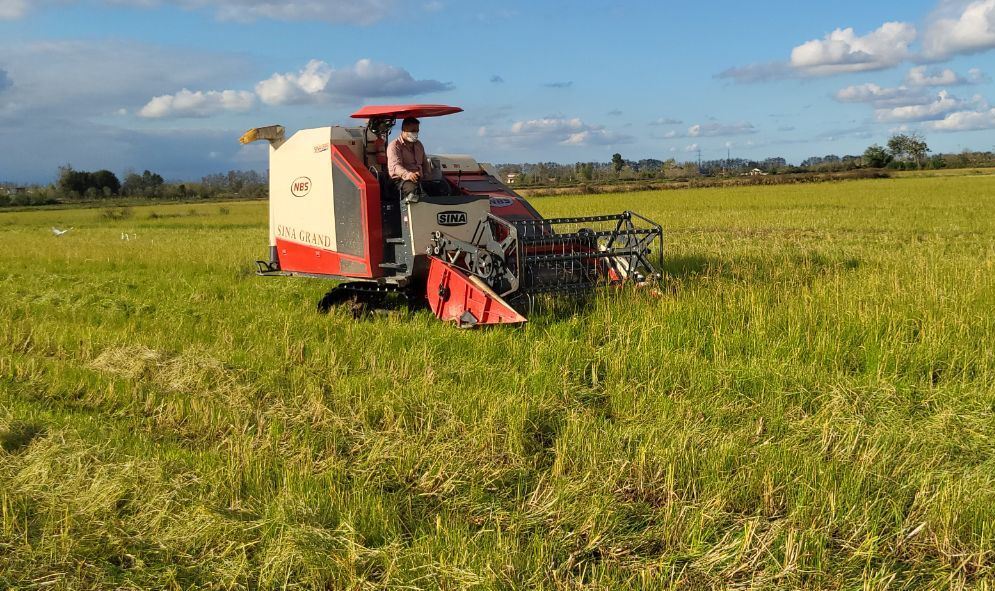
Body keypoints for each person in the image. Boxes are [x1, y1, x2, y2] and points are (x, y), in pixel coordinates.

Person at [387, 117, 430, 200]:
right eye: (413, 131)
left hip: (419, 179)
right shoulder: (395, 146)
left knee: (442, 187)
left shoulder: (419, 145)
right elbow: (395, 166)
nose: (415, 133)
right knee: (414, 190)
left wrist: (427, 176)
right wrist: (409, 175)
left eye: (417, 131)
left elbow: (425, 162)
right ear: (404, 129)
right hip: (400, 180)